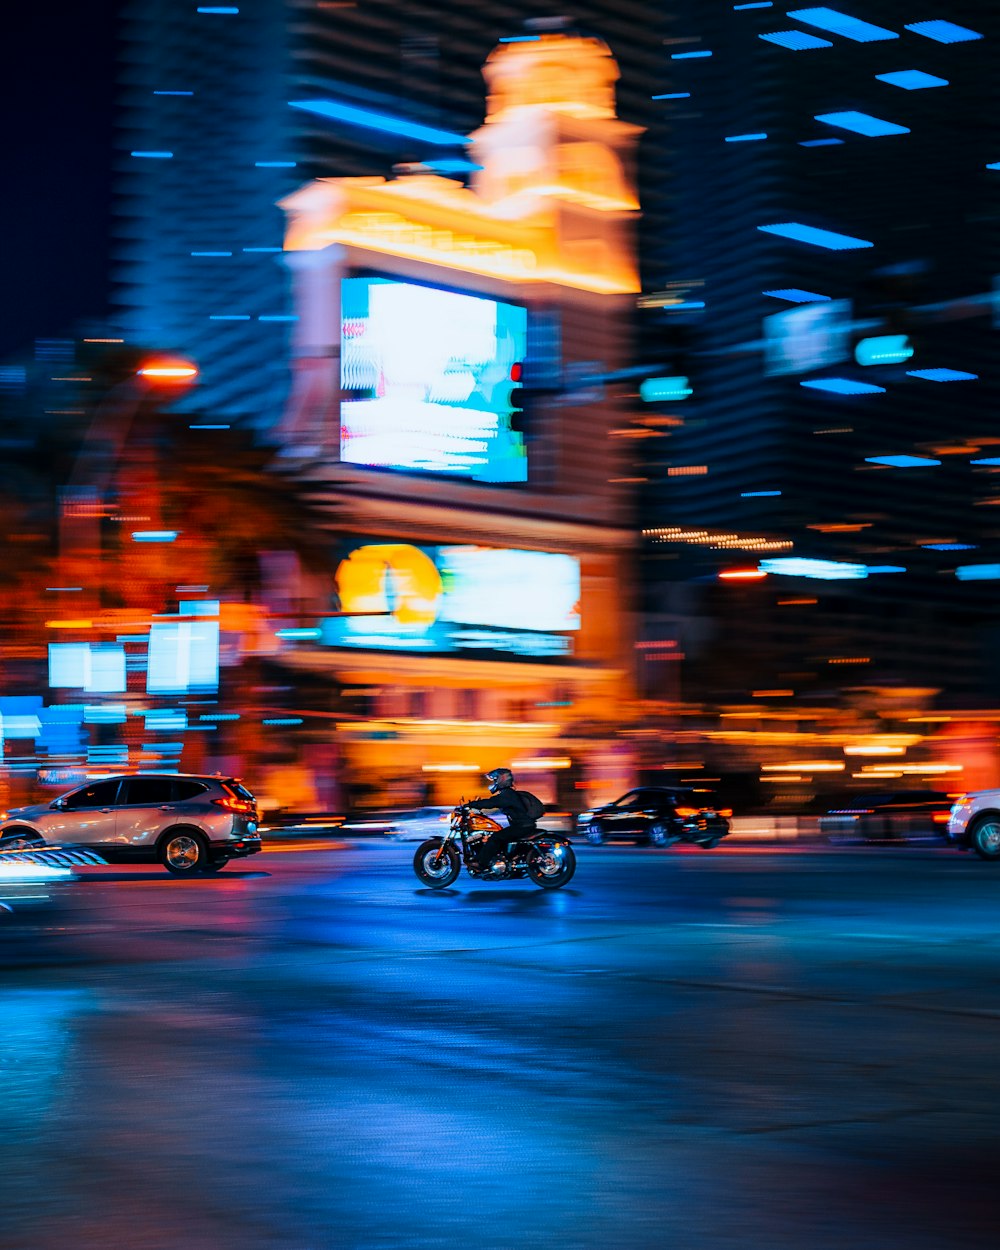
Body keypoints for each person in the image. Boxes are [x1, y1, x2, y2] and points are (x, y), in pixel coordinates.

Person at [467, 767, 541, 873]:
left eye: (495, 779)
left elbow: (492, 802)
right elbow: (494, 804)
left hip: (522, 826)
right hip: (521, 826)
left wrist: (472, 804)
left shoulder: (507, 794)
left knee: (495, 838)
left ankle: (481, 864)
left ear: (502, 779)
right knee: (498, 835)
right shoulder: (507, 794)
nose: (494, 782)